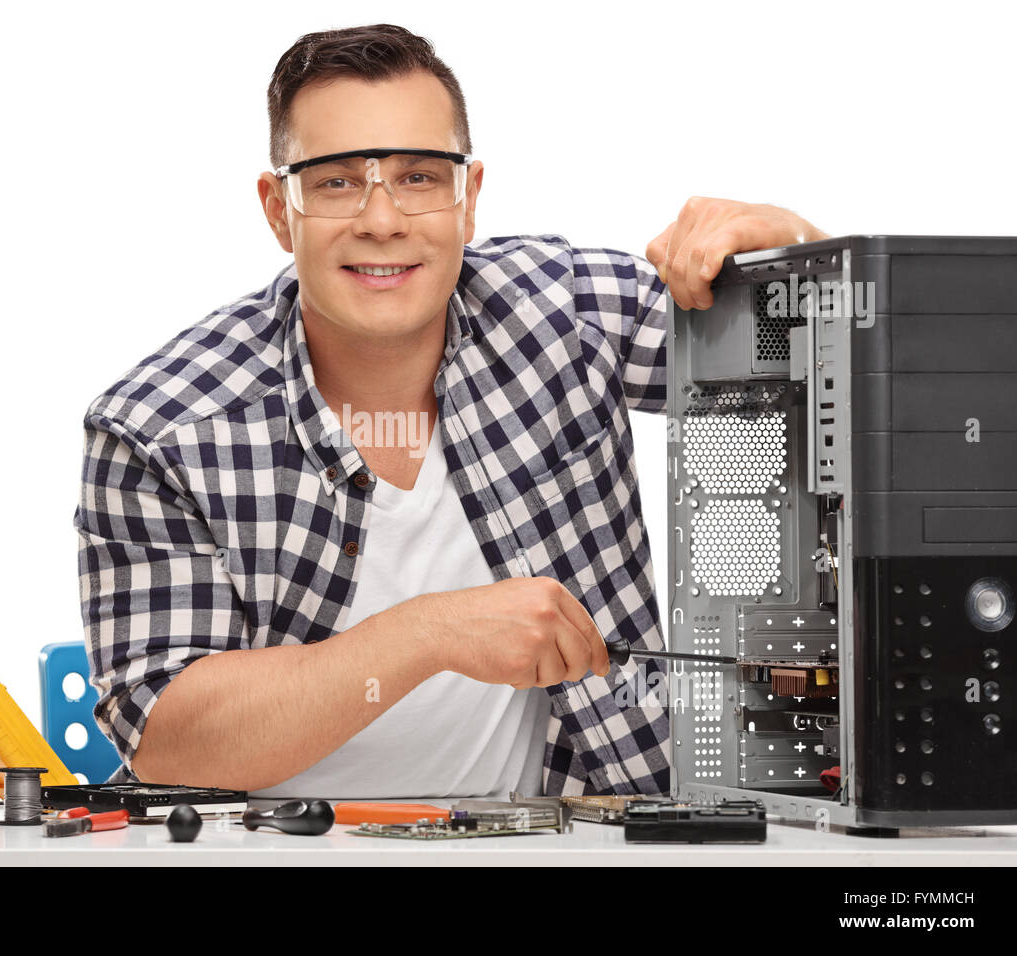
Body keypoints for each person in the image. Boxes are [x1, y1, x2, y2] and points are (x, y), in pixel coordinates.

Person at [74, 23, 827, 798]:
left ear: (468, 200)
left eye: (419, 177)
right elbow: (165, 736)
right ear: (278, 209)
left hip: (566, 838)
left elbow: (828, 374)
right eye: (336, 182)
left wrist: (796, 246)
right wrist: (428, 633)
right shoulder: (162, 429)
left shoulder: (568, 313)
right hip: (273, 845)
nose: (382, 221)